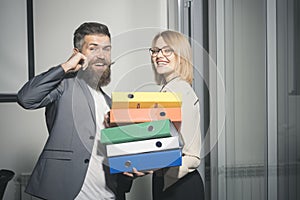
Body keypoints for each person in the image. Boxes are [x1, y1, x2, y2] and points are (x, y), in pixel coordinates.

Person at [17, 22, 137, 200]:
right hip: (69, 194)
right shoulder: (63, 85)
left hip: (109, 195)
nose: (101, 56)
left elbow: (115, 155)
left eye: (106, 49)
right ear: (78, 53)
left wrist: (129, 168)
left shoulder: (111, 103)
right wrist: (65, 67)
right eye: (93, 48)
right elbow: (26, 98)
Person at [149, 30, 205, 200]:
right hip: (167, 182)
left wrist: (157, 166)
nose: (159, 55)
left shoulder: (181, 92)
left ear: (181, 56)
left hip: (179, 186)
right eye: (156, 51)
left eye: (167, 50)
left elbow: (192, 156)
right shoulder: (170, 89)